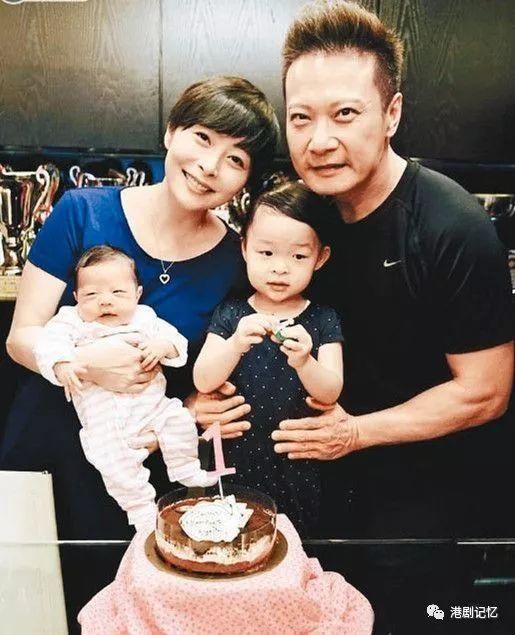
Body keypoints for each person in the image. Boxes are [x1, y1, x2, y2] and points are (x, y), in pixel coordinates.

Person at [270, 0, 513, 630]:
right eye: (301, 117)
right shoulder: (300, 216)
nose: (320, 140)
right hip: (312, 491)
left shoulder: (450, 226)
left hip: (419, 504)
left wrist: (355, 433)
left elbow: (486, 392)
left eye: (345, 114)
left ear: (392, 114)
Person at [1, 75, 280, 540]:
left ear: (246, 180)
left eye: (235, 159)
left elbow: (215, 371)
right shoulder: (81, 212)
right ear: (171, 132)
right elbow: (20, 336)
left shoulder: (236, 260)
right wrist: (89, 364)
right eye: (203, 138)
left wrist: (190, 408)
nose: (210, 166)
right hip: (49, 442)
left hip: (149, 460)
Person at [193, 180, 343, 535]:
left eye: (298, 256)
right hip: (234, 454)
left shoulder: (323, 319)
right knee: (229, 538)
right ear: (244, 248)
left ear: (320, 258)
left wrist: (305, 361)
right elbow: (203, 380)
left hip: (295, 459)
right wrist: (235, 345)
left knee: (294, 543)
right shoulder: (231, 313)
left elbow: (330, 391)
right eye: (266, 253)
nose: (280, 268)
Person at [34, 245, 218, 531]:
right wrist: (62, 364)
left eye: (118, 293)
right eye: (91, 295)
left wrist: (162, 346)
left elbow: (177, 343)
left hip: (153, 407)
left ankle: (185, 468)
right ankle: (140, 508)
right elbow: (48, 343)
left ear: (137, 294)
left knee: (179, 420)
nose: (105, 302)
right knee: (114, 463)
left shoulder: (145, 318)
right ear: (76, 298)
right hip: (104, 418)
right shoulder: (72, 321)